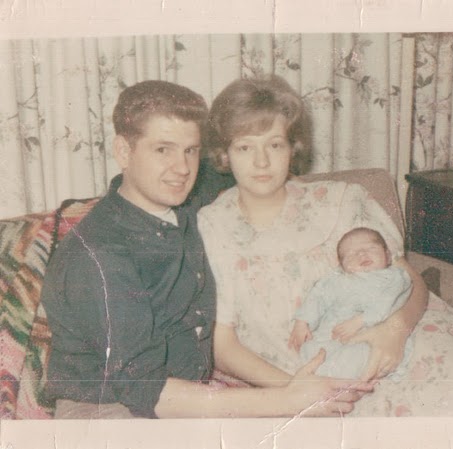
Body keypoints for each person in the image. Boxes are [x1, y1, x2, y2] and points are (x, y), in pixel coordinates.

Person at [197, 75, 453, 416]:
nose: (261, 161)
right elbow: (222, 344)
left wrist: (394, 331)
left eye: (274, 144)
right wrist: (295, 391)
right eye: (245, 147)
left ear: (293, 147)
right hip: (307, 371)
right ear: (224, 154)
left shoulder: (341, 201)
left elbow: (410, 280)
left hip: (403, 335)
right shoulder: (211, 227)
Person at [40, 80, 372, 419]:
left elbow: (259, 164)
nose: (182, 168)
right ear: (123, 151)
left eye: (190, 150)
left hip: (187, 395)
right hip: (110, 410)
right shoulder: (98, 255)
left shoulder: (184, 198)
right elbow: (146, 389)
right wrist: (290, 399)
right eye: (163, 150)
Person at [289, 227, 413, 380]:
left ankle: (334, 381)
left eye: (371, 248)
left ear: (387, 256)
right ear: (342, 266)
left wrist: (360, 320)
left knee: (359, 356)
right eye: (351, 253)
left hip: (369, 335)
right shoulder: (337, 280)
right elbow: (318, 297)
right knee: (309, 349)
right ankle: (324, 377)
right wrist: (302, 322)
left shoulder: (394, 277)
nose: (362, 254)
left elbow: (389, 302)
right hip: (330, 335)